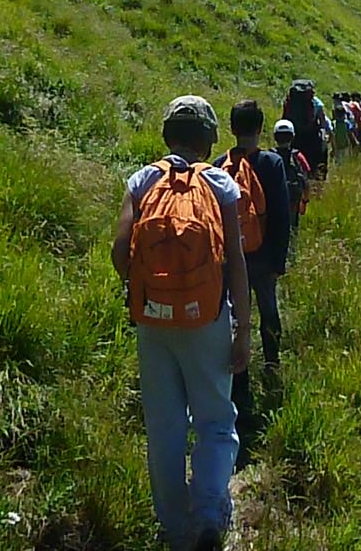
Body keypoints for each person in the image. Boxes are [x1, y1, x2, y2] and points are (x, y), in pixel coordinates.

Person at [112, 96, 249, 551]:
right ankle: (209, 513)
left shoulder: (142, 179)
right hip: (207, 317)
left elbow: (119, 253)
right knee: (214, 418)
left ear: (167, 134)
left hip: (152, 320)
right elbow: (235, 265)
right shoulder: (220, 184)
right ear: (209, 138)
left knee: (165, 424)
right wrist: (242, 329)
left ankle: (175, 530)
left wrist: (152, 286)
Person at [214, 100, 291, 423]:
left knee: (234, 319)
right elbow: (281, 216)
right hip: (262, 259)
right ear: (261, 129)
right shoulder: (272, 163)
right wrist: (278, 261)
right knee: (269, 313)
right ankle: (272, 365)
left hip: (233, 261)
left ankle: (238, 382)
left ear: (232, 129)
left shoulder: (219, 166)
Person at [271, 119, 310, 246]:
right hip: (293, 202)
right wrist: (304, 201)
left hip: (272, 204)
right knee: (292, 232)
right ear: (292, 137)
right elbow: (306, 180)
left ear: (275, 137)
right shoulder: (298, 157)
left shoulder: (269, 156)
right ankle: (291, 256)